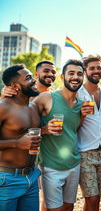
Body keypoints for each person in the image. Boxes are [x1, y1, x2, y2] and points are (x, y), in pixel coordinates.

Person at [33, 59, 84, 211]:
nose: (75, 77)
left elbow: (74, 129)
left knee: (69, 206)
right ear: (62, 77)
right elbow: (23, 120)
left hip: (74, 164)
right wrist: (44, 130)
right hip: (51, 167)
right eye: (71, 73)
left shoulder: (81, 104)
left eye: (79, 74)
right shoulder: (46, 98)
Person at [77, 54, 101, 211]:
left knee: (97, 198)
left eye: (98, 67)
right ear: (85, 71)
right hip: (84, 152)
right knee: (91, 198)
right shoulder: (77, 92)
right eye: (91, 68)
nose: (96, 71)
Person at [0, 64, 41, 211]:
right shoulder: (3, 107)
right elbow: (20, 140)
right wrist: (17, 143)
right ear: (15, 86)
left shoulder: (33, 107)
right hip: (7, 179)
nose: (34, 80)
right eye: (29, 78)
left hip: (32, 177)